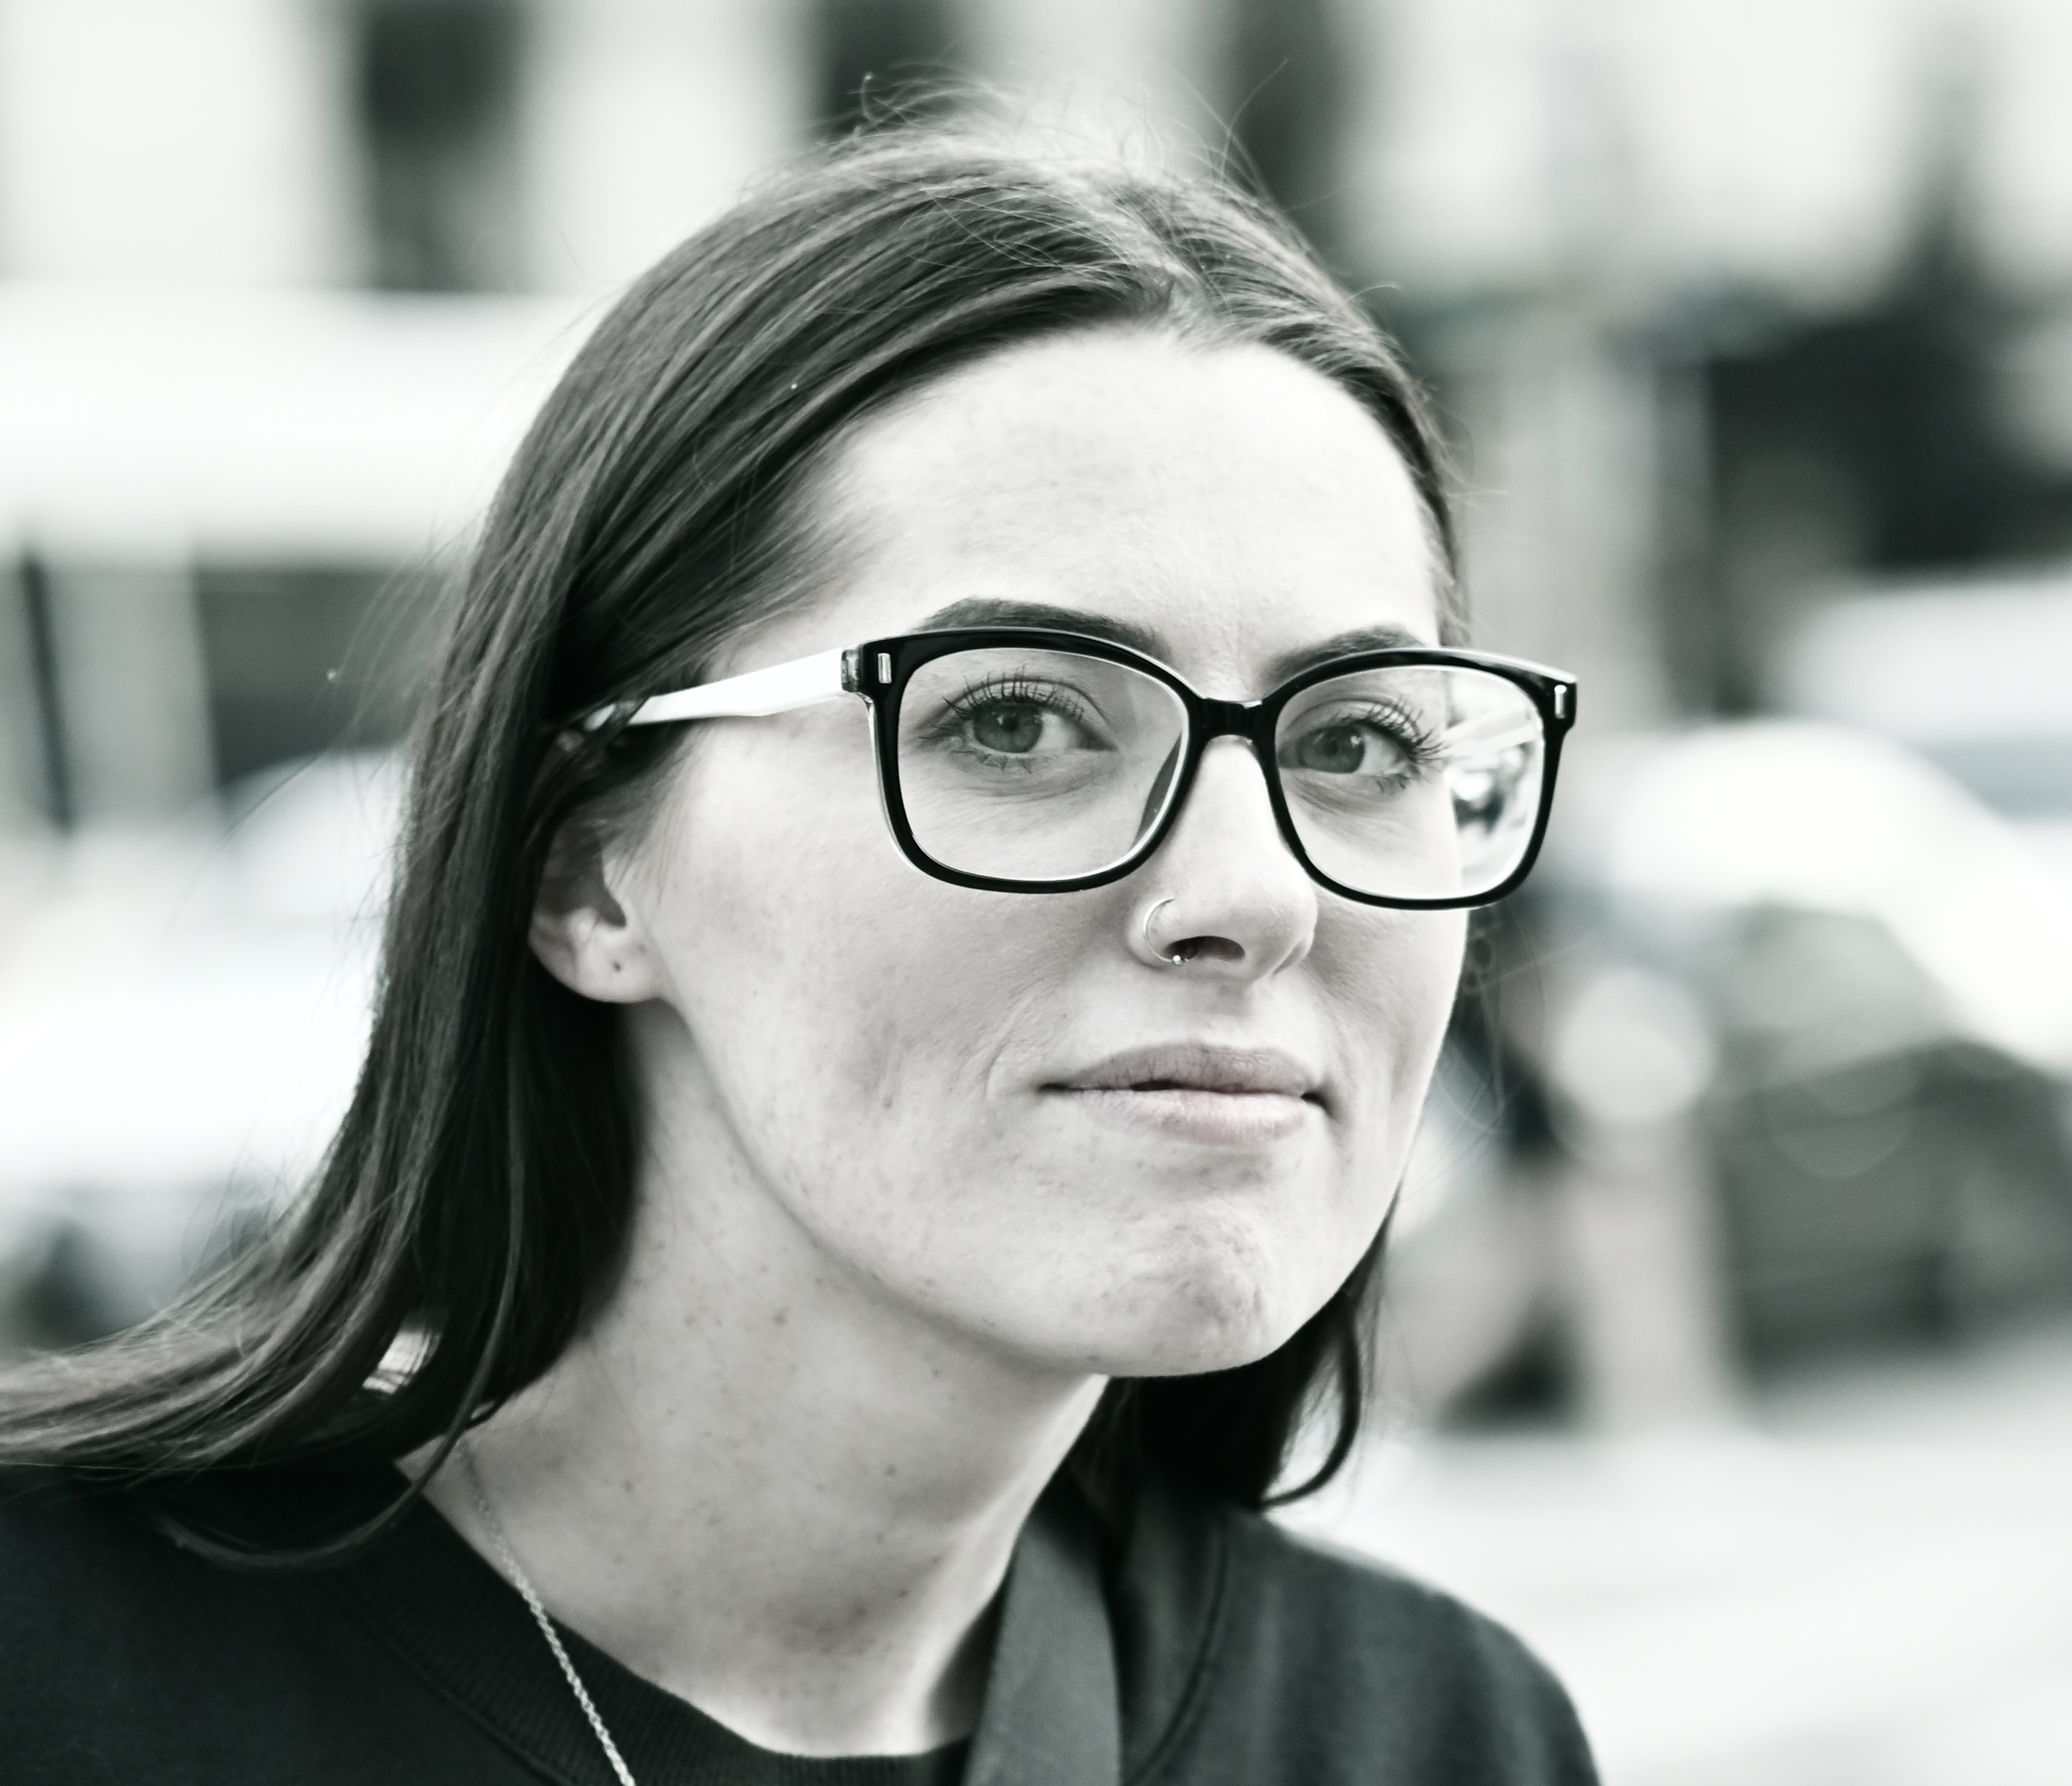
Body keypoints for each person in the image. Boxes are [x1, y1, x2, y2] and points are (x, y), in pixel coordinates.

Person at [0, 124, 1592, 1785]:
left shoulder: (1435, 1736)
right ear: (587, 877)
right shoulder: (53, 1674)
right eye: (1016, 719)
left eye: (1362, 744)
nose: (1256, 894)